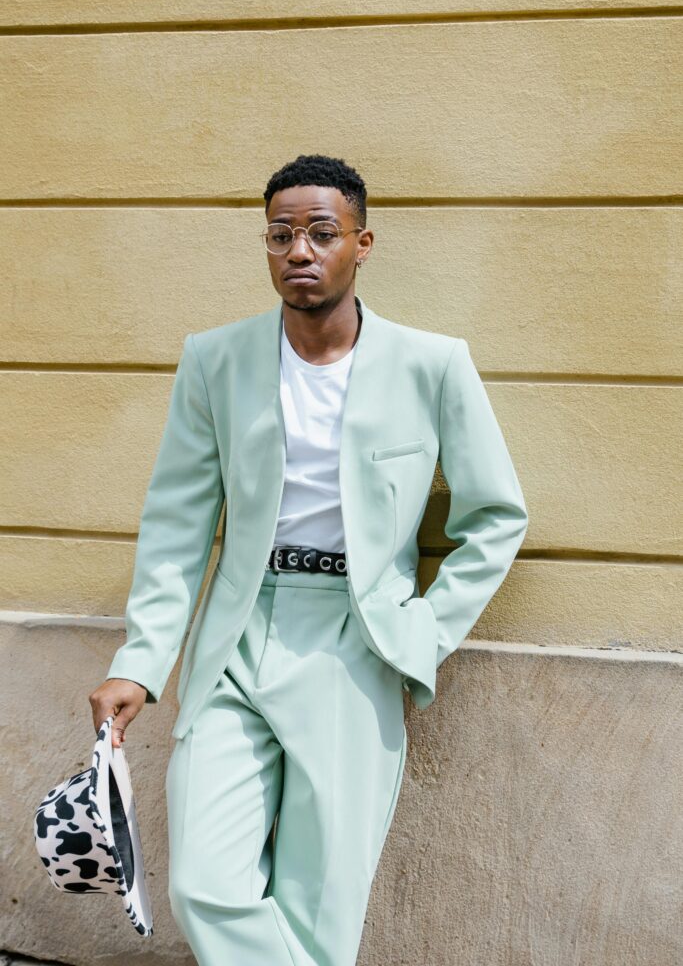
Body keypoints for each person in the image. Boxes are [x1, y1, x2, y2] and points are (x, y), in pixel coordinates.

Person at [89, 153, 528, 965]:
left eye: (322, 233)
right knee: (204, 884)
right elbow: (178, 525)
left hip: (356, 642)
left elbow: (496, 514)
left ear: (361, 244)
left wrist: (423, 630)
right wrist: (139, 663)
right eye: (280, 234)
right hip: (239, 633)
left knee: (321, 902)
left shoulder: (431, 365)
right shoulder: (215, 360)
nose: (299, 250)